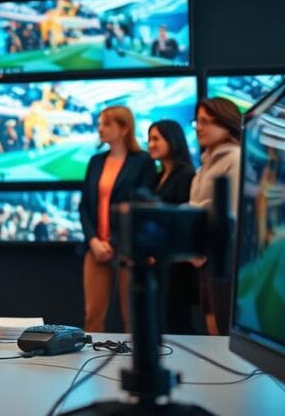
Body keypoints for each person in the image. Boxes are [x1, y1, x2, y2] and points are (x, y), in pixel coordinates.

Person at [79, 106, 156, 333]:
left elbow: (141, 208)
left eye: (106, 124)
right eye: (100, 123)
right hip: (96, 248)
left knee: (132, 318)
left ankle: (135, 367)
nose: (100, 128)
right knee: (92, 318)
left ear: (124, 129)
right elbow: (84, 206)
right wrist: (93, 240)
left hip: (128, 249)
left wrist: (112, 241)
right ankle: (91, 367)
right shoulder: (95, 162)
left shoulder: (143, 162)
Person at [189, 97, 242, 335]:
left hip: (227, 259)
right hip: (205, 259)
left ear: (226, 123)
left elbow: (232, 214)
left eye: (206, 121)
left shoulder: (237, 158)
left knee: (224, 331)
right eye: (197, 121)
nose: (199, 127)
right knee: (212, 325)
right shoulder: (203, 167)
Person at [147, 120, 200, 334]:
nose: (150, 144)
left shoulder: (186, 175)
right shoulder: (158, 177)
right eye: (149, 139)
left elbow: (181, 221)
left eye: (156, 139)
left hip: (178, 266)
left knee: (178, 323)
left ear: (172, 140)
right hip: (160, 263)